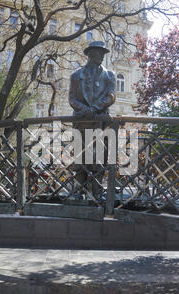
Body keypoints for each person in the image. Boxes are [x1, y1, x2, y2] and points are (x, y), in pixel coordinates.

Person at [68, 41, 116, 200]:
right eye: (99, 52)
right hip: (82, 123)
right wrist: (85, 110)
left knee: (99, 161)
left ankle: (97, 194)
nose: (102, 56)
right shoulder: (76, 75)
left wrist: (94, 109)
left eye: (103, 53)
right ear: (90, 54)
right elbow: (72, 99)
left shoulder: (110, 75)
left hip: (100, 123)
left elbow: (110, 96)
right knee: (80, 161)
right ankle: (77, 193)